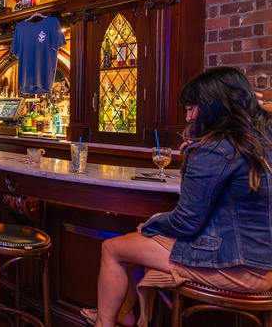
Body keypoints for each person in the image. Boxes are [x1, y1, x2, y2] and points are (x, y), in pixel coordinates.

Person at [83, 67, 272, 327]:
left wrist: (152, 223)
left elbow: (187, 221)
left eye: (191, 108)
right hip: (262, 256)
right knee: (135, 241)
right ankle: (125, 313)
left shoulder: (215, 149)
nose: (188, 116)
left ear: (212, 107)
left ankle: (104, 323)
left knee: (112, 248)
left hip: (237, 265)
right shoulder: (260, 140)